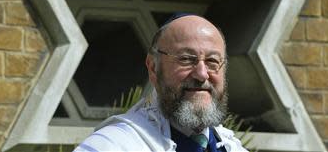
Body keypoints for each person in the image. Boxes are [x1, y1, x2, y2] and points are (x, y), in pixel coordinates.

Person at [74, 15, 248, 152]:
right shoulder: (113, 146)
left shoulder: (232, 148)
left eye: (212, 61)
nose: (202, 74)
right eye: (186, 59)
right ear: (153, 68)